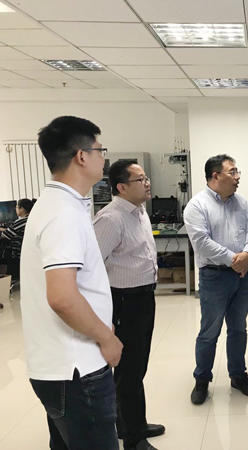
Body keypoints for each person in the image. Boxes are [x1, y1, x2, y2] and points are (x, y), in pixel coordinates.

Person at [20, 116, 123, 450]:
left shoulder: (56, 204)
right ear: (81, 156)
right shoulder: (63, 213)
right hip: (78, 371)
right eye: (100, 150)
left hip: (60, 367)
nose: (103, 158)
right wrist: (107, 338)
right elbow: (62, 297)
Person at [93, 160, 165, 450]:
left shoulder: (140, 212)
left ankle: (130, 424)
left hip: (144, 298)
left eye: (146, 178)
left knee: (136, 367)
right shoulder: (111, 219)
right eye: (140, 179)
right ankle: (134, 439)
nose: (147, 183)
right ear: (121, 187)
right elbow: (91, 267)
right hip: (123, 302)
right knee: (129, 371)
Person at [184, 154, 248, 405]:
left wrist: (247, 254)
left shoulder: (241, 202)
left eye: (238, 172)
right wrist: (234, 260)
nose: (238, 177)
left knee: (238, 329)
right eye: (233, 172)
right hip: (214, 276)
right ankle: (202, 380)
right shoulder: (197, 205)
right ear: (215, 176)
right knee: (210, 331)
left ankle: (238, 375)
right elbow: (202, 243)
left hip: (242, 275)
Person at [0, 198, 35, 279]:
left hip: (17, 255)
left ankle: (6, 278)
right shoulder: (30, 219)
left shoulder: (21, 221)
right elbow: (12, 230)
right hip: (27, 253)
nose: (15, 209)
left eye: (16, 207)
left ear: (22, 209)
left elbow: (4, 236)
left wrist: (3, 230)